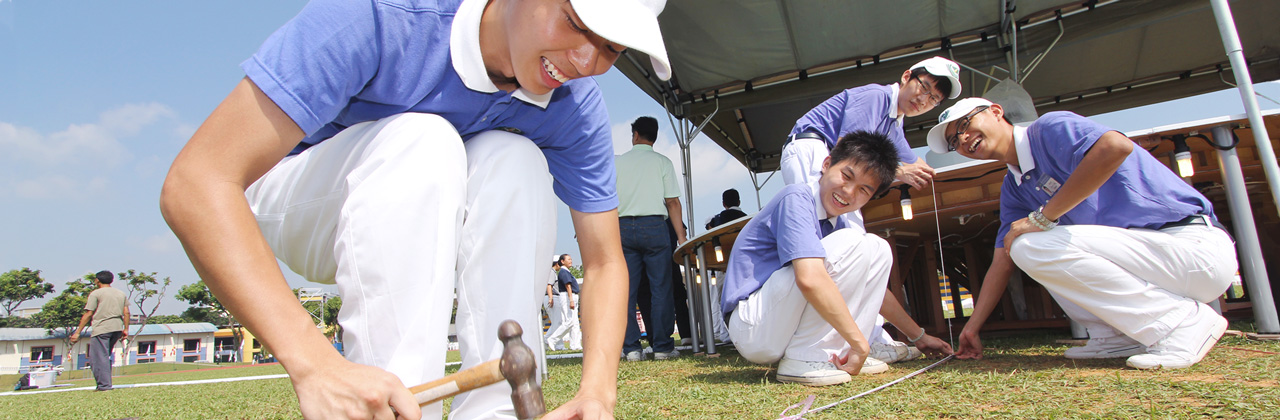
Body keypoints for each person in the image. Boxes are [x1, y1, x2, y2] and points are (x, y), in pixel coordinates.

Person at [159, 0, 672, 418]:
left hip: (421, 192)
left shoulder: (574, 103)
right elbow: (197, 183)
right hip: (294, 199)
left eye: (610, 48)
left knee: (515, 159)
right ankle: (390, 402)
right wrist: (315, 364)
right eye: (575, 23)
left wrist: (597, 394)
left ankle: (494, 413)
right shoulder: (379, 16)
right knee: (424, 139)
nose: (584, 62)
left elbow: (604, 261)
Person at [929, 98, 1237, 369]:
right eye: (955, 141)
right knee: (1020, 245)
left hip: (1190, 247)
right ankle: (1113, 335)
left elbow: (1115, 147)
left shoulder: (1047, 129)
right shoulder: (1014, 186)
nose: (964, 138)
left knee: (1029, 243)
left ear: (996, 111)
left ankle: (1181, 324)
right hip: (1152, 266)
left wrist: (1043, 217)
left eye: (965, 124)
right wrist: (973, 326)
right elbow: (1003, 259)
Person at [722, 131, 953, 387]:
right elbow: (810, 279)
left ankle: (837, 355)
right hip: (752, 327)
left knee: (877, 248)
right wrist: (858, 341)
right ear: (826, 164)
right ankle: (805, 357)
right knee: (859, 244)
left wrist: (918, 336)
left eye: (864, 190)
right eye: (846, 176)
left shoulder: (840, 223)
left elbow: (876, 291)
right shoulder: (797, 198)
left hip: (778, 321)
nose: (848, 192)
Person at [782, 56, 963, 364]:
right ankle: (835, 339)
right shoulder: (875, 96)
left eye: (934, 98)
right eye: (924, 86)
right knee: (829, 248)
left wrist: (955, 142)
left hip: (830, 163)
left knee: (858, 247)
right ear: (907, 76)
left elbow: (916, 164)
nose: (925, 98)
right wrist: (899, 173)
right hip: (814, 152)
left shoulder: (895, 124)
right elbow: (847, 150)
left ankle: (869, 336)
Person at [615, 116, 687, 361]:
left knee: (626, 290)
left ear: (634, 135)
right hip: (656, 226)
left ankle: (632, 348)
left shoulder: (617, 163)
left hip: (622, 228)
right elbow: (673, 202)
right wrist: (681, 237)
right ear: (654, 136)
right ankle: (663, 347)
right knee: (661, 288)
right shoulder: (663, 162)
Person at [69, 270, 129, 391]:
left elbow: (88, 313)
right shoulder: (120, 293)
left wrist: (77, 332)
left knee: (98, 358)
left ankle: (104, 385)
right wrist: (126, 329)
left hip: (102, 328)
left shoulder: (96, 293)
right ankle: (105, 383)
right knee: (105, 356)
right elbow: (126, 312)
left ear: (97, 280)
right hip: (117, 328)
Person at [546, 254, 583, 351]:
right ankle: (552, 339)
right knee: (569, 322)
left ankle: (575, 344)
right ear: (562, 261)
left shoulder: (566, 272)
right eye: (568, 259)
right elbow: (568, 286)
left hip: (569, 296)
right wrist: (571, 299)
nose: (571, 261)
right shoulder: (563, 272)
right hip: (567, 297)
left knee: (574, 323)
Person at [544, 258, 566, 350]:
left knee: (557, 323)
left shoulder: (552, 272)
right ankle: (546, 340)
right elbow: (549, 285)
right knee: (558, 323)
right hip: (552, 297)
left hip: (552, 297)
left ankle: (558, 345)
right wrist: (551, 298)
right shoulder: (551, 272)